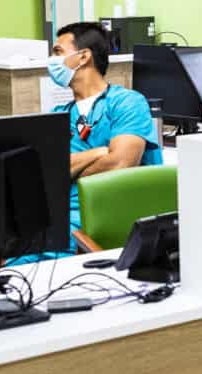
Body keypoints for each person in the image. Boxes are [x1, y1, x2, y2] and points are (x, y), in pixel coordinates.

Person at [49, 21, 161, 247]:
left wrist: (69, 170)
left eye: (58, 52)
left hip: (104, 218)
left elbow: (120, 165)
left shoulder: (127, 102)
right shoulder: (57, 115)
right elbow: (48, 174)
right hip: (57, 219)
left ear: (83, 57)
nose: (52, 61)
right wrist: (99, 152)